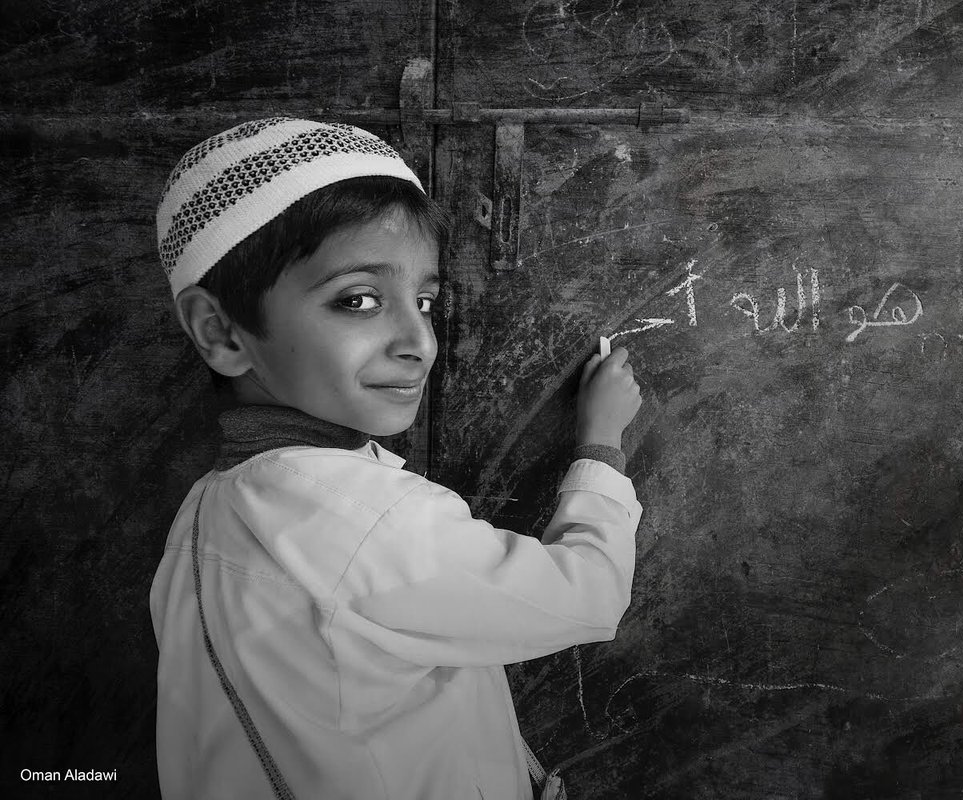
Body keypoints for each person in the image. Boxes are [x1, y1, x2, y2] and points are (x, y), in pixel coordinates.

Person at [148, 117, 643, 800]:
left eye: (425, 301)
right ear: (221, 332)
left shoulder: (202, 516)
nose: (420, 341)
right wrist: (602, 444)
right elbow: (588, 595)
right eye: (358, 300)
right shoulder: (370, 522)